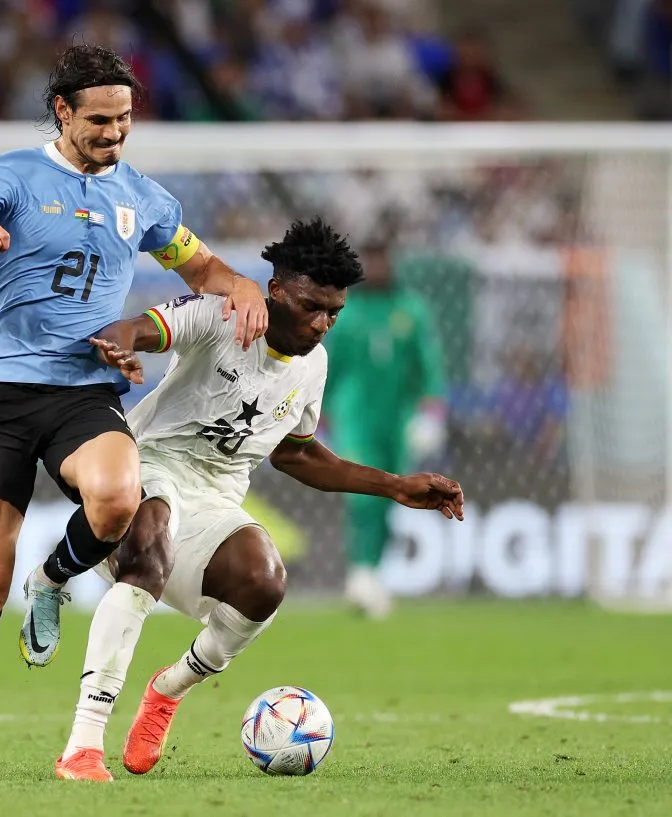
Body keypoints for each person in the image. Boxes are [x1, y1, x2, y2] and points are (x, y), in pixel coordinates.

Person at [0, 43, 268, 779]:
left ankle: (53, 577)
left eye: (126, 118)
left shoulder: (143, 197)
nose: (114, 133)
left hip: (82, 389)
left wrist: (246, 287)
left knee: (116, 497)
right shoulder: (8, 175)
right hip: (2, 393)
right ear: (63, 112)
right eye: (99, 119)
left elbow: (202, 268)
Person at [52, 218, 463, 781]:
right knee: (150, 537)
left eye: (333, 313)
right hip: (147, 467)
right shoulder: (219, 315)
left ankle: (167, 691)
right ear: (276, 291)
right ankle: (84, 744)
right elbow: (132, 330)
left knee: (266, 580)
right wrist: (119, 351)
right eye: (311, 306)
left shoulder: (313, 365)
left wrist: (397, 486)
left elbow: (297, 455)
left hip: (215, 498)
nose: (321, 324)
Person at [321, 237, 448, 618]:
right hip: (355, 418)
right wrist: (319, 413)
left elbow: (427, 366)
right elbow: (328, 367)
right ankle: (360, 573)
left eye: (381, 260)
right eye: (369, 261)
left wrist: (431, 412)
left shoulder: (411, 311)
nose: (375, 269)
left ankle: (372, 574)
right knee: (363, 494)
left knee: (395, 495)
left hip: (398, 419)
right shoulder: (346, 313)